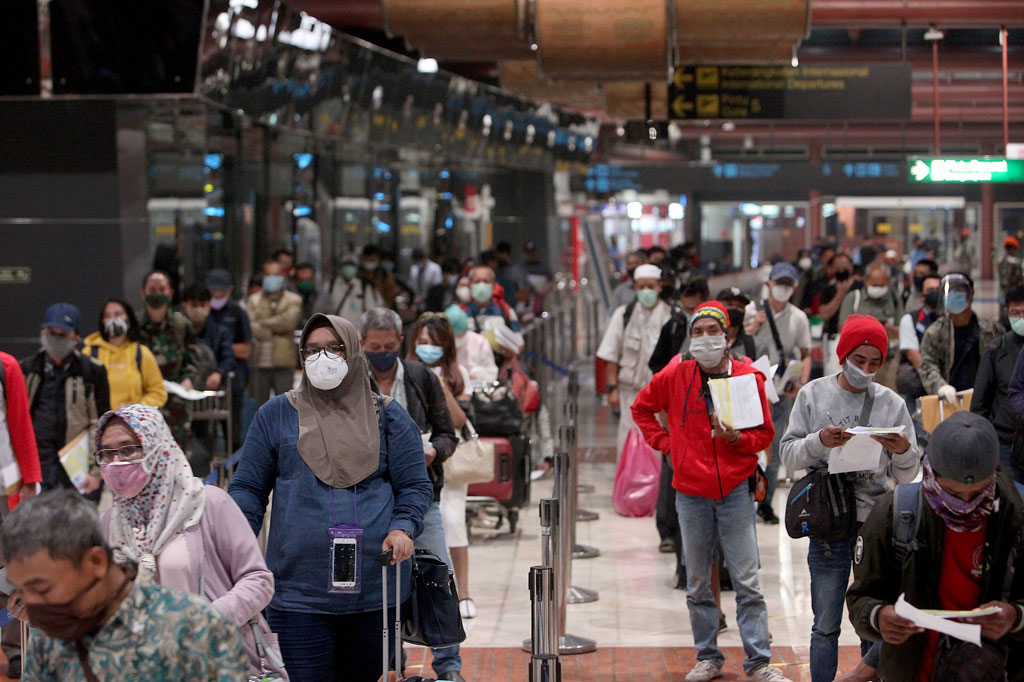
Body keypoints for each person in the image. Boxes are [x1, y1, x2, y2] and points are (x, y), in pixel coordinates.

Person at [228, 314, 432, 681]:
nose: (323, 358)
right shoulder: (276, 415)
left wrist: (403, 528)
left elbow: (415, 486)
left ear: (353, 352)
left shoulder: (389, 417)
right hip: (297, 593)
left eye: (334, 348)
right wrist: (233, 544)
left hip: (374, 590)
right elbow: (248, 489)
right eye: (312, 350)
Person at [632, 302, 789, 682]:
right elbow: (641, 409)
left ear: (726, 335)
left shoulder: (748, 377)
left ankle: (758, 661)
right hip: (690, 492)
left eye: (711, 331)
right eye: (697, 332)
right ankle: (708, 655)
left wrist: (736, 438)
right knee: (699, 579)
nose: (704, 338)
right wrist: (668, 445)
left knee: (747, 579)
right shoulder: (675, 374)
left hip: (735, 490)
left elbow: (764, 436)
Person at [94, 404, 287, 679]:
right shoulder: (109, 524)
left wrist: (202, 621)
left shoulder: (207, 504)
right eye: (106, 453)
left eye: (128, 449)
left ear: (155, 445)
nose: (117, 462)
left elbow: (258, 580)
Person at [780, 315, 920, 682]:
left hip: (876, 522)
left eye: (875, 363)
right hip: (829, 520)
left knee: (873, 622)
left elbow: (907, 475)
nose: (866, 370)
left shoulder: (892, 404)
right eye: (859, 360)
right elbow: (789, 455)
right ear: (843, 354)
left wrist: (903, 449)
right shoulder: (813, 394)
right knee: (825, 623)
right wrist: (820, 442)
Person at [846, 412, 1024, 682]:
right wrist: (878, 617)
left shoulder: (1016, 518)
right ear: (931, 473)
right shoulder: (896, 513)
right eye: (952, 494)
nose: (966, 504)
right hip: (916, 670)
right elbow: (860, 599)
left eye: (979, 494)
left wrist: (1016, 617)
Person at [0, 489, 248, 681]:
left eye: (42, 588)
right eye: (21, 591)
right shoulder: (47, 640)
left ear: (96, 562)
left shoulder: (195, 627)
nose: (32, 605)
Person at [359, 308, 465, 679]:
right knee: (385, 587)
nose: (382, 352)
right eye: (375, 346)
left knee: (438, 579)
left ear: (401, 343)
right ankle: (392, 666)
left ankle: (449, 666)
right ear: (362, 345)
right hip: (375, 501)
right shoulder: (354, 383)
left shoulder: (421, 377)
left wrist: (434, 451)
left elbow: (448, 432)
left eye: (389, 346)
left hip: (424, 496)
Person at [21, 303, 109, 501]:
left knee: (78, 528)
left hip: (77, 469)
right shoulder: (27, 369)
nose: (56, 339)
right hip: (38, 468)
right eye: (51, 332)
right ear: (42, 332)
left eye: (63, 334)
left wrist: (96, 473)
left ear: (76, 338)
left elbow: (102, 424)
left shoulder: (92, 371)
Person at [747, 262, 812, 524]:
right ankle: (744, 500)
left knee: (774, 449)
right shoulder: (753, 311)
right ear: (769, 284)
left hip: (780, 391)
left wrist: (801, 383)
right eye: (779, 283)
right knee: (748, 446)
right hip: (751, 390)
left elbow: (806, 354)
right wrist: (753, 327)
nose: (783, 288)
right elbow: (737, 342)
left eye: (788, 284)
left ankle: (765, 502)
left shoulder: (799, 317)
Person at [596, 264, 673, 458]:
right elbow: (611, 355)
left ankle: (657, 489)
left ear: (659, 286)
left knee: (659, 448)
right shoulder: (623, 315)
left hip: (661, 397)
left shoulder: (670, 316)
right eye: (641, 287)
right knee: (629, 448)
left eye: (650, 286)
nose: (646, 291)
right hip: (631, 395)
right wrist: (612, 389)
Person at [0, 351, 41, 678]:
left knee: (10, 567)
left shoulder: (7, 365)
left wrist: (30, 478)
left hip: (5, 484)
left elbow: (19, 420)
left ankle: (14, 646)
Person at [919, 272, 1004, 401]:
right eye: (950, 290)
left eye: (958, 290)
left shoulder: (991, 329)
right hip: (950, 400)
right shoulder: (935, 332)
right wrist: (941, 387)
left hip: (986, 401)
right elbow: (928, 365)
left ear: (971, 293)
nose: (953, 295)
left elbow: (1004, 363)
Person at [138, 270, 200, 448]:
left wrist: (188, 379)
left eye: (162, 289)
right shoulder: (134, 324)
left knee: (176, 450)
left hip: (175, 399)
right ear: (143, 292)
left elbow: (192, 357)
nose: (157, 293)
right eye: (152, 289)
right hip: (144, 396)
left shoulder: (181, 324)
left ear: (171, 292)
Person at [82, 299, 167, 409]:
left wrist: (137, 407)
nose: (112, 318)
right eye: (107, 315)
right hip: (99, 422)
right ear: (102, 321)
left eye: (118, 314)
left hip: (131, 421)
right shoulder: (89, 352)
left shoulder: (141, 353)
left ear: (128, 318)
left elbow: (158, 393)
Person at [977, 286, 1024, 483]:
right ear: (1007, 313)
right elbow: (980, 402)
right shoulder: (997, 349)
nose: (1021, 318)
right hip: (1005, 442)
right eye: (1016, 313)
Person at [206, 268, 253, 450]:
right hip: (207, 377)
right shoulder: (204, 311)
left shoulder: (238, 313)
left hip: (233, 377)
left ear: (230, 289)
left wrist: (221, 348)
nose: (217, 294)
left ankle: (235, 467)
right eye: (214, 289)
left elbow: (246, 349)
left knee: (232, 428)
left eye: (222, 290)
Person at [837, 263, 902, 390]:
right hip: (856, 363)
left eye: (881, 285)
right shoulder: (854, 298)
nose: (877, 288)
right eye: (874, 285)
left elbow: (900, 331)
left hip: (887, 360)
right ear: (866, 280)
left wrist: (887, 330)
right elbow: (842, 329)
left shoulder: (893, 299)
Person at [248, 260, 302, 405]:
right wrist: (276, 327)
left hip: (284, 359)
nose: (273, 278)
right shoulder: (253, 300)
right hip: (260, 359)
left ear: (283, 276)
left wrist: (263, 324)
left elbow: (288, 322)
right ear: (263, 276)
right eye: (269, 274)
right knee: (259, 405)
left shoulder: (294, 299)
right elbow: (252, 327)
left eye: (276, 274)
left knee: (286, 404)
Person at [895, 274, 942, 415]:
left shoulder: (948, 319)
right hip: (918, 388)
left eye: (938, 289)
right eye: (930, 289)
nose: (935, 292)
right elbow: (915, 357)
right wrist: (937, 385)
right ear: (922, 295)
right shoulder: (910, 320)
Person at [647, 277, 711, 373]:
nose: (690, 314)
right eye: (686, 308)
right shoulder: (674, 325)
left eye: (694, 309)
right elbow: (656, 363)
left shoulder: (719, 327)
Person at [181, 284, 234, 392]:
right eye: (194, 305)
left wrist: (219, 373)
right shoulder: (176, 331)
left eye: (202, 304)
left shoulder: (220, 333)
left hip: (210, 392)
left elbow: (228, 359)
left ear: (209, 305)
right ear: (185, 305)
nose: (198, 309)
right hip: (181, 388)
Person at [316, 254, 385, 328]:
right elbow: (321, 308)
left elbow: (373, 310)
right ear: (341, 267)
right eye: (346, 265)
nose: (348, 268)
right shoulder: (330, 285)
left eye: (351, 265)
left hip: (359, 332)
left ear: (356, 267)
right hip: (337, 330)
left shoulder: (365, 286)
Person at [444, 304, 499, 382]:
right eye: (453, 336)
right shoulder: (441, 343)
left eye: (460, 335)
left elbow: (491, 372)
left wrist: (476, 374)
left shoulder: (480, 342)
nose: (456, 339)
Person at [463, 266, 521, 333]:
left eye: (486, 281)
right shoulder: (461, 313)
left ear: (493, 285)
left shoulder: (506, 311)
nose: (481, 285)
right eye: (477, 281)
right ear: (469, 285)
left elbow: (517, 340)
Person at [294, 262, 319, 327]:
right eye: (302, 280)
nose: (305, 283)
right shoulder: (290, 298)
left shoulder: (323, 296)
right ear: (296, 280)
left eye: (308, 279)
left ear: (314, 279)